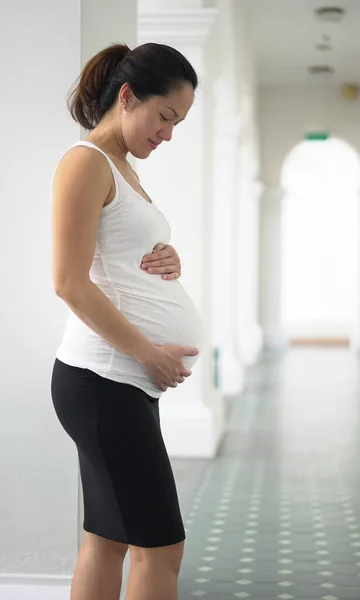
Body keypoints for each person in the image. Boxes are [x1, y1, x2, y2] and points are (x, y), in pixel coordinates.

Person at [50, 42, 203, 600]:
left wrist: (170, 259)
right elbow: (69, 280)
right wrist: (148, 351)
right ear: (128, 95)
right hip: (104, 381)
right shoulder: (85, 161)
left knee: (108, 539)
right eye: (165, 117)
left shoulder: (121, 169)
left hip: (116, 386)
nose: (167, 134)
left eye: (178, 124)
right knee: (161, 551)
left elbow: (116, 255)